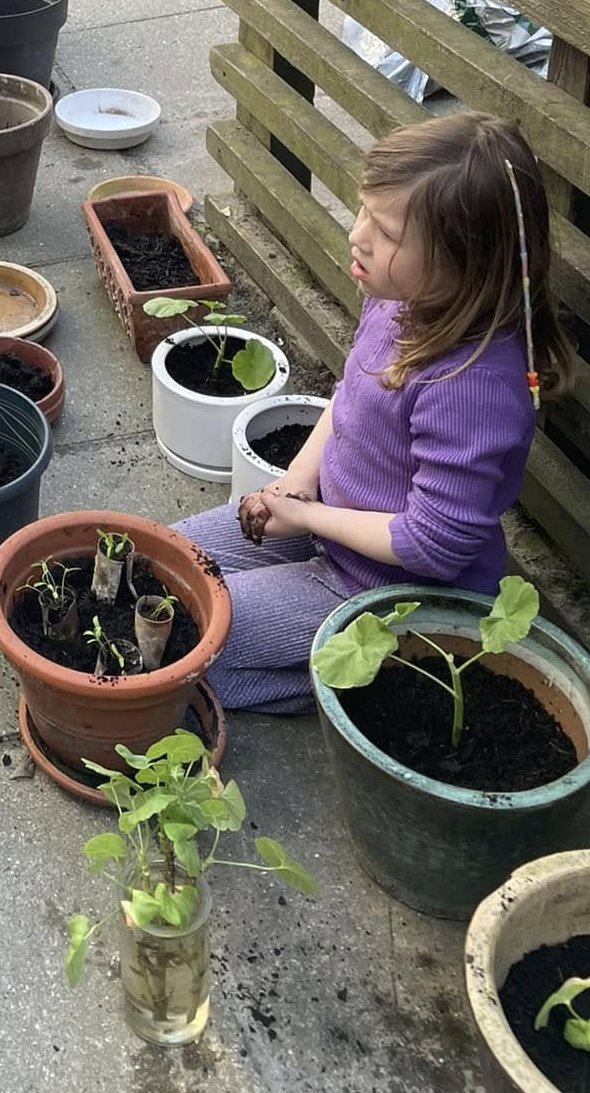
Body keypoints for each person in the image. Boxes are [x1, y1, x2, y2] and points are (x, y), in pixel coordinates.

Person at [177, 112, 571, 714]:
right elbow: (348, 398)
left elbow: (431, 545)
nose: (358, 235)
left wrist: (308, 520)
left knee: (193, 652)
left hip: (393, 593)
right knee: (167, 559)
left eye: (385, 231)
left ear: (461, 260)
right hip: (334, 534)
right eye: (364, 210)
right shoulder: (399, 303)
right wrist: (294, 487)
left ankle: (383, 680)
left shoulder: (474, 388)